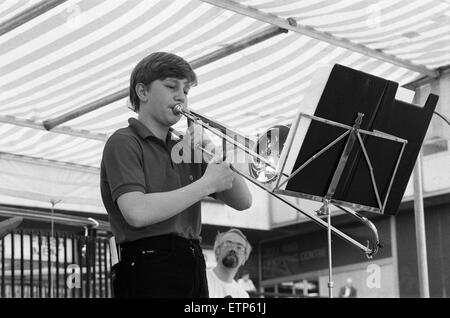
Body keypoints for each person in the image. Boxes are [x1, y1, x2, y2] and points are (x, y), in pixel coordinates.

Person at [100, 52, 252, 298]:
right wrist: (204, 185)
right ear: (143, 92)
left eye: (186, 90)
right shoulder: (123, 141)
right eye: (171, 86)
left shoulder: (186, 147)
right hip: (147, 263)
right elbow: (137, 212)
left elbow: (243, 201)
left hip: (191, 261)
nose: (181, 96)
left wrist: (210, 150)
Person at [207, 228, 253, 298]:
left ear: (244, 259)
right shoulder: (200, 279)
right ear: (217, 251)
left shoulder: (242, 295)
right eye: (228, 244)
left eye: (239, 247)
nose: (233, 249)